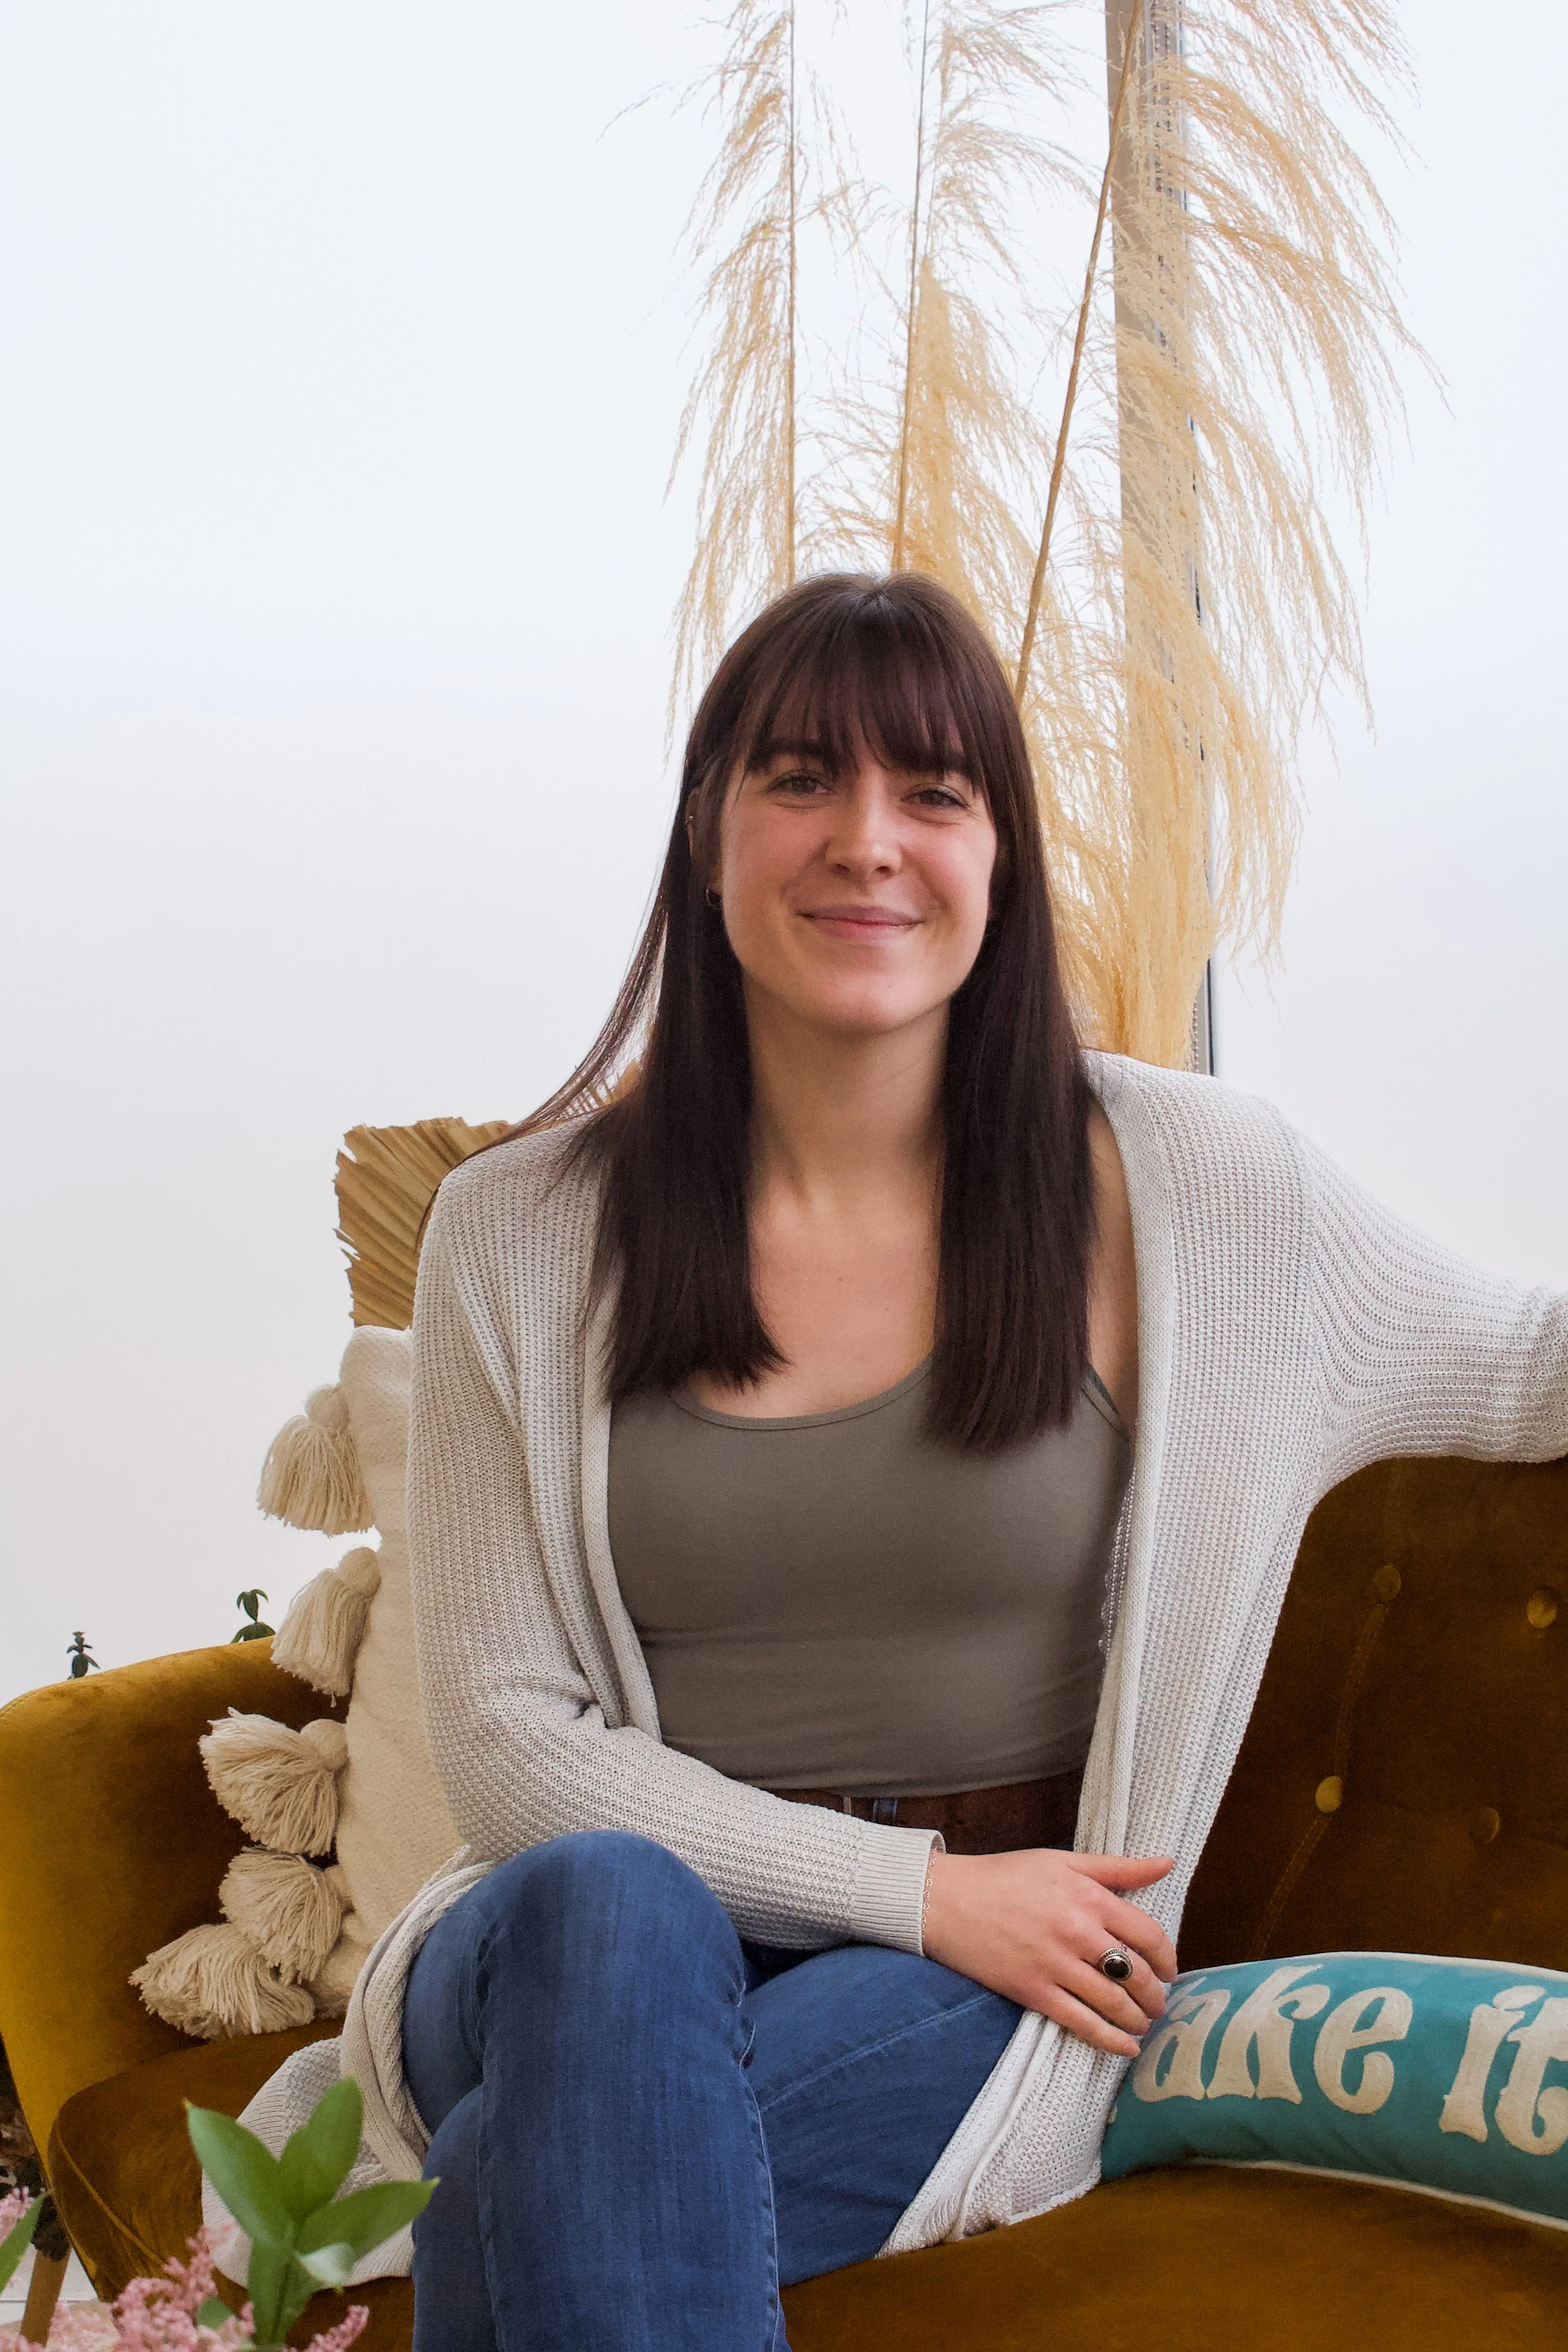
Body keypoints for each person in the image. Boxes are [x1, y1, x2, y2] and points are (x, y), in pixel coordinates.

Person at [258, 572, 1568, 2350]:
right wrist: (926, 1891)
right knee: (613, 1915)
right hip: (577, 1941)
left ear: (999, 858)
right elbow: (508, 1751)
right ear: (706, 836)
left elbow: (1516, 1366)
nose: (865, 839)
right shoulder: (522, 1232)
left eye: (931, 792)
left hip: (969, 1997)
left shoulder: (1193, 1191)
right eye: (800, 778)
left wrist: (942, 1925)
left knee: (523, 2182)